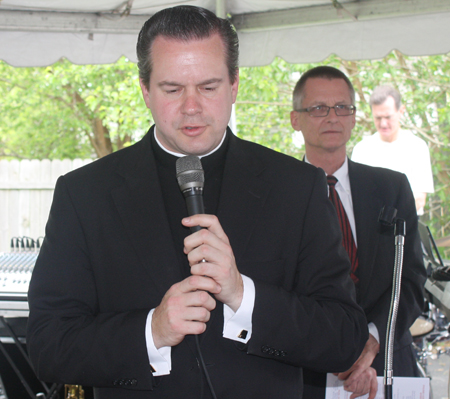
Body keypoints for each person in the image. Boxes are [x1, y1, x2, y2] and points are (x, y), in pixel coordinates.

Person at [26, 7, 368, 399]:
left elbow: (345, 337)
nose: (191, 107)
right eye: (172, 89)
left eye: (208, 87)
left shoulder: (297, 187)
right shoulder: (85, 194)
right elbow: (47, 345)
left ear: (235, 86)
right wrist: (152, 331)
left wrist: (243, 296)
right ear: (145, 91)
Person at [290, 66, 426, 399]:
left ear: (354, 118)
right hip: (305, 371)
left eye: (343, 108)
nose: (332, 117)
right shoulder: (276, 193)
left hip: (388, 361)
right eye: (319, 108)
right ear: (296, 119)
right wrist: (332, 346)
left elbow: (411, 282)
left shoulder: (392, 188)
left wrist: (372, 339)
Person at [351, 85, 434, 215]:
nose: (383, 124)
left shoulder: (417, 147)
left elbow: (419, 199)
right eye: (378, 118)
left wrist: (389, 219)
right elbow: (356, 197)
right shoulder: (361, 150)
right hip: (370, 227)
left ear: (401, 111)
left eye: (388, 117)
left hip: (408, 224)